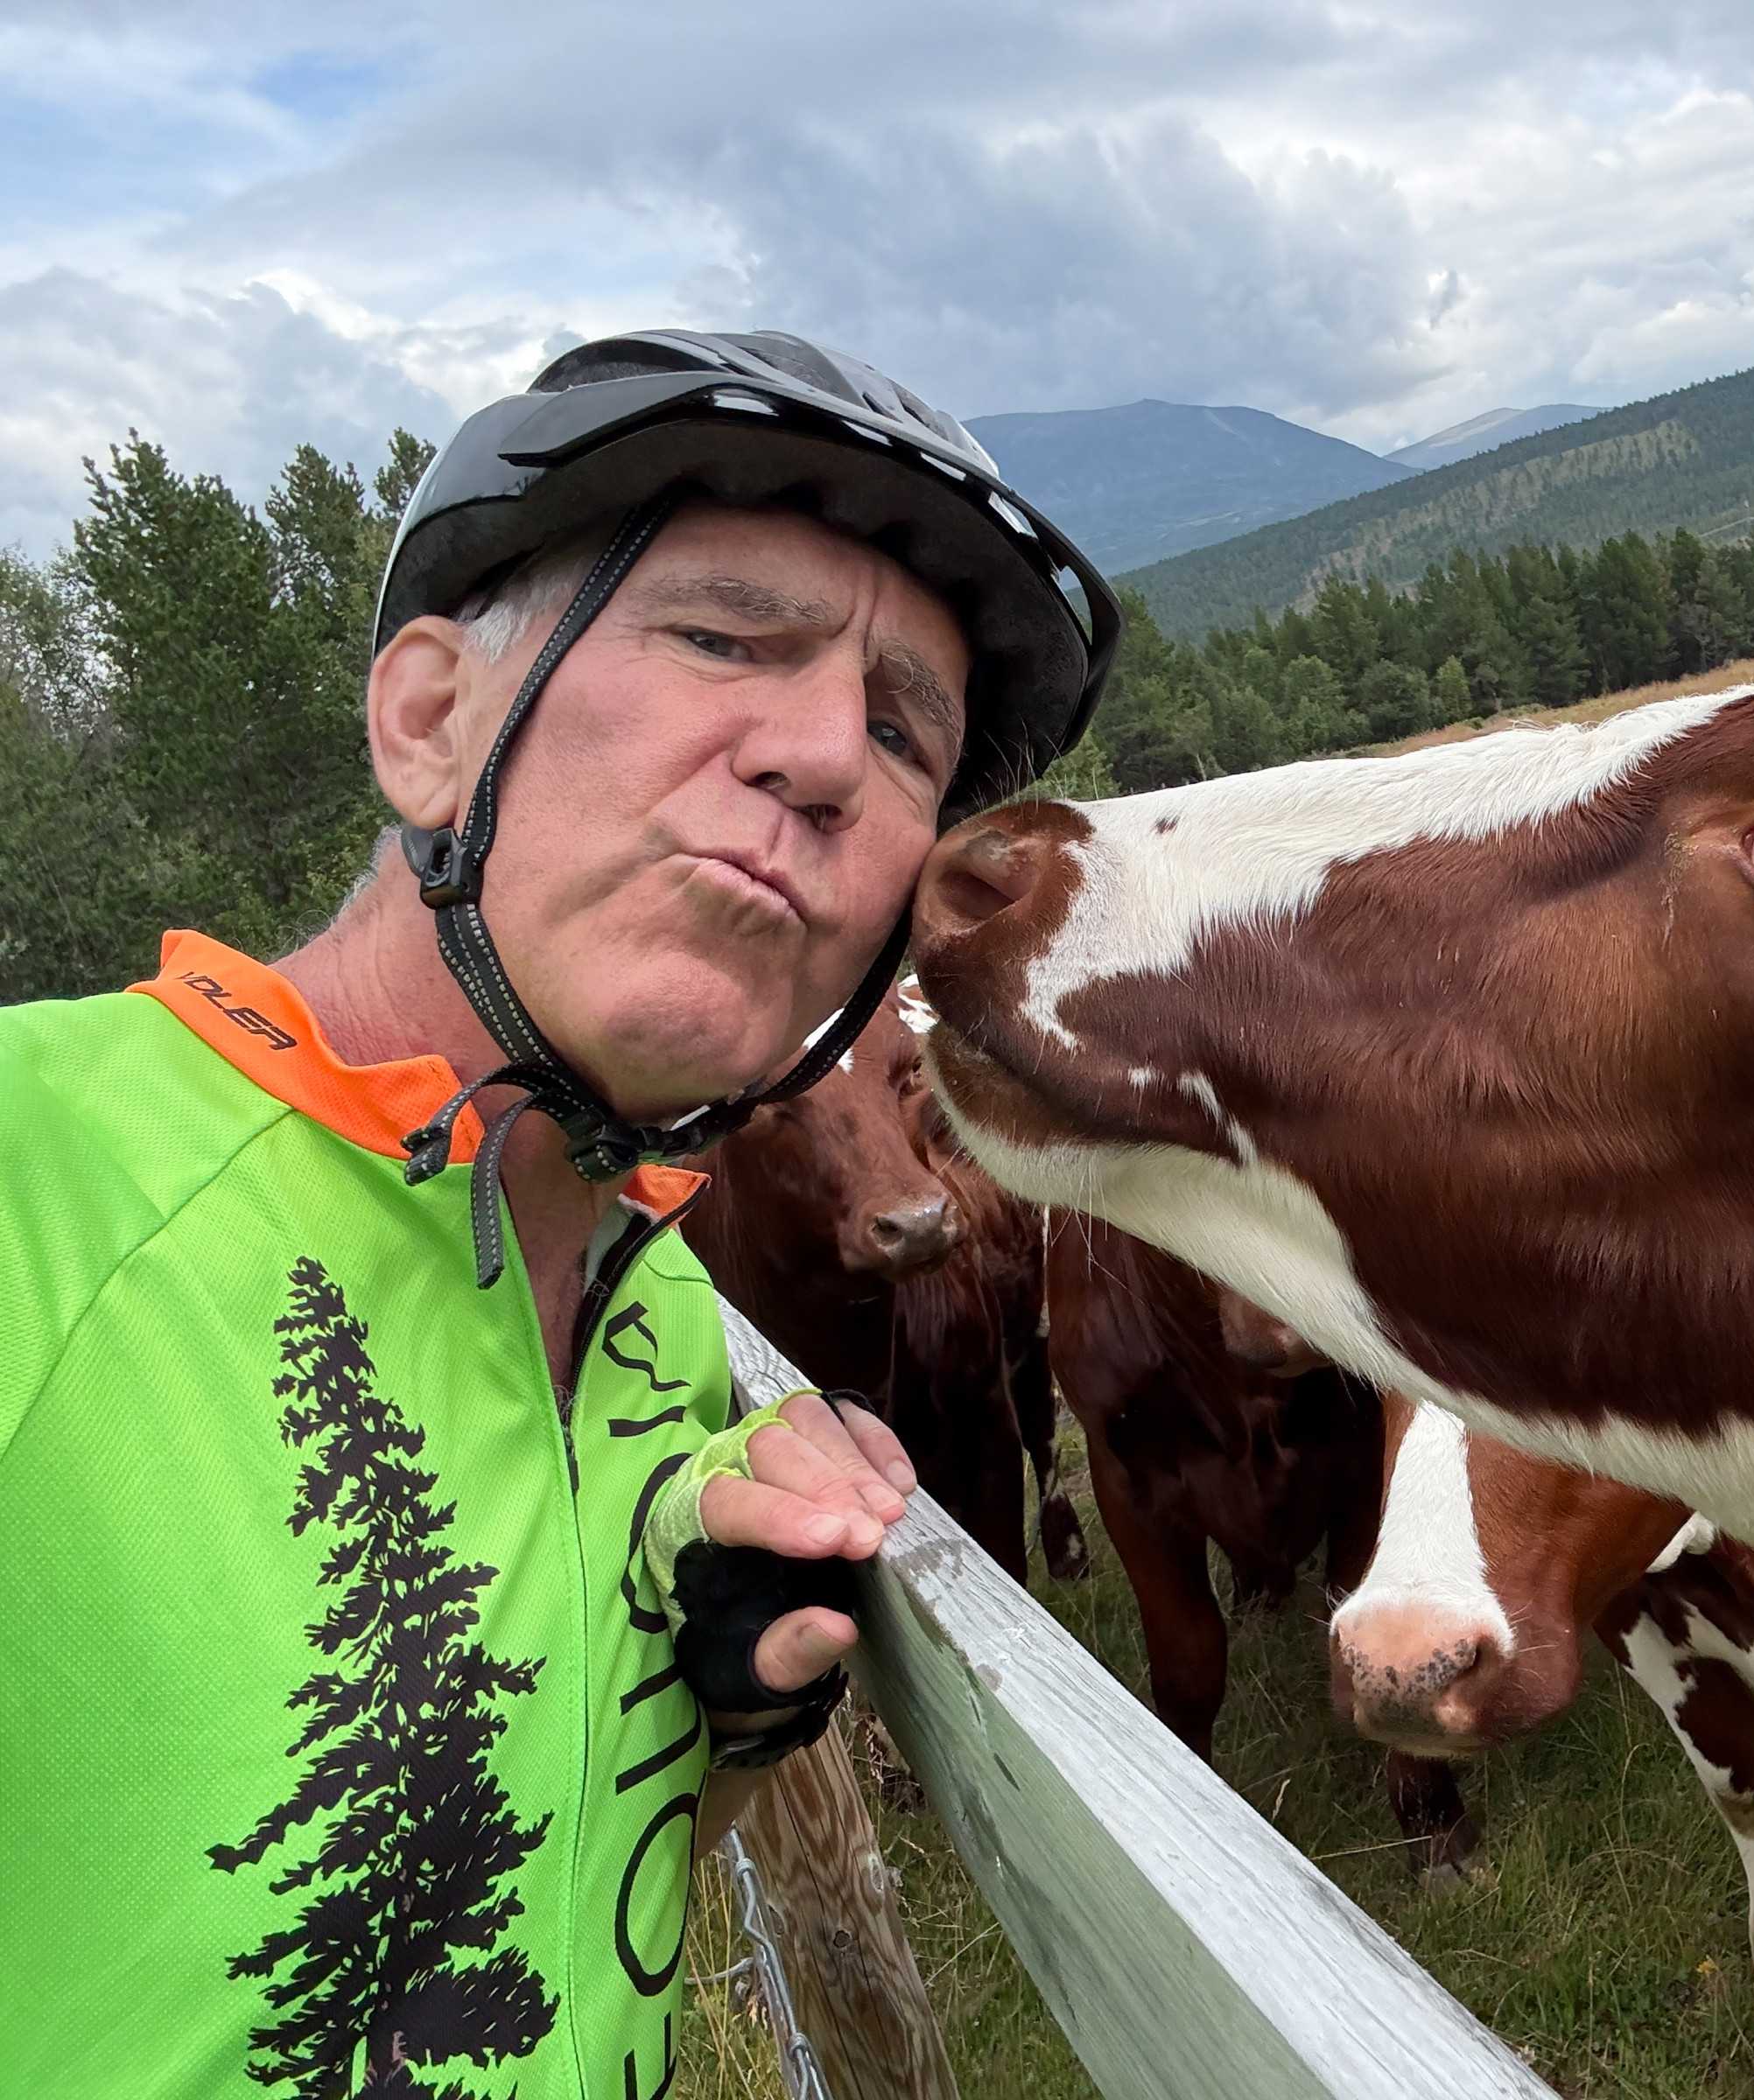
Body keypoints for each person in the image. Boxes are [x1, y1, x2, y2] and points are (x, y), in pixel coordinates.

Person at [0, 330, 1118, 2098]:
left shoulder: (653, 1308)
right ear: (430, 724)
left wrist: (724, 1710)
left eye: (907, 728)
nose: (829, 755)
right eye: (723, 637)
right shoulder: (42, 1175)